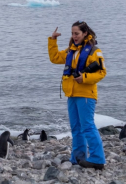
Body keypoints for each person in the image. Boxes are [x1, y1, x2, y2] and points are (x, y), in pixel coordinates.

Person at [48, 21, 106, 170]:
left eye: (77, 33)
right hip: (72, 94)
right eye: (72, 33)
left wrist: (84, 78)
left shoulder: (94, 51)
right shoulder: (71, 51)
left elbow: (102, 72)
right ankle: (77, 158)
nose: (74, 36)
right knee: (76, 127)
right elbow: (54, 58)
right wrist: (53, 40)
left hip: (86, 94)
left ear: (85, 33)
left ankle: (98, 159)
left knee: (87, 126)